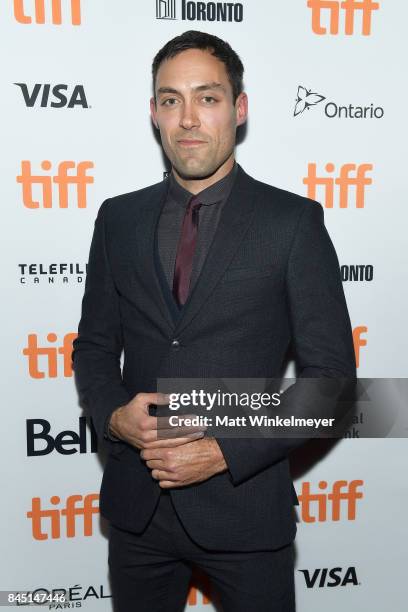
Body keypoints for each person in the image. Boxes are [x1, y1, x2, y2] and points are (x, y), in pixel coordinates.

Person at [72, 30, 356, 612]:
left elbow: (331, 381)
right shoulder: (117, 219)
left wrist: (226, 448)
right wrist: (114, 416)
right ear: (153, 113)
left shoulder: (294, 222)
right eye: (171, 100)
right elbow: (95, 348)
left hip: (245, 513)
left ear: (239, 108)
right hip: (137, 511)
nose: (189, 120)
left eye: (208, 97)